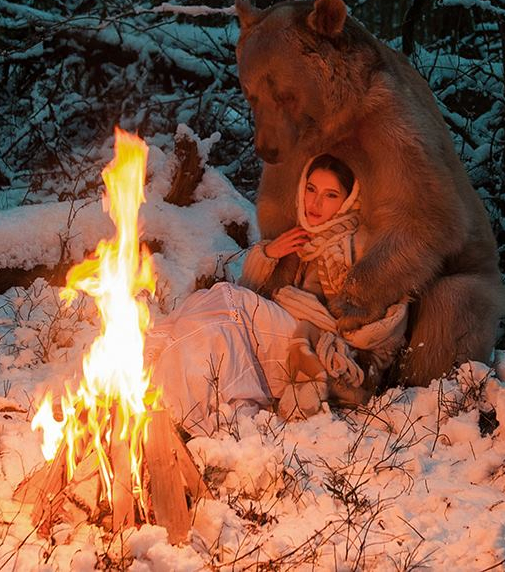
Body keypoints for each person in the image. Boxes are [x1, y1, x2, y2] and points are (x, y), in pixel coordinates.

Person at [148, 155, 407, 435]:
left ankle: (221, 413)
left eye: (330, 195)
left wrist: (327, 332)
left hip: (315, 352)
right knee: (204, 308)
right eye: (311, 189)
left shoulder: (357, 247)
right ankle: (165, 390)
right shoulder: (305, 238)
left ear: (349, 200)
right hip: (290, 333)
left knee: (225, 298)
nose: (316, 203)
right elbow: (251, 291)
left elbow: (380, 329)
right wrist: (270, 254)